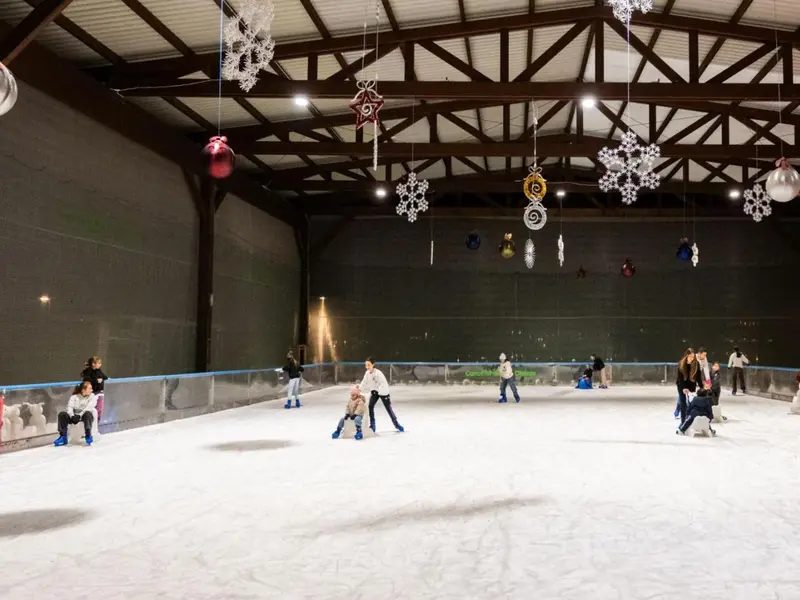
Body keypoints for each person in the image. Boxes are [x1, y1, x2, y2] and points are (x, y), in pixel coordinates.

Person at [359, 358, 404, 433]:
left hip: (383, 392)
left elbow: (383, 384)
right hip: (374, 392)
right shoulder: (367, 373)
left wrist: (379, 391)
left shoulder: (378, 373)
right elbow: (364, 382)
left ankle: (396, 424)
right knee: (370, 406)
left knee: (388, 408)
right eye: (366, 365)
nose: (367, 367)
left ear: (373, 365)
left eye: (369, 365)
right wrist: (359, 388)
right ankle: (373, 425)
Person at [54, 381, 97, 446]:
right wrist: (72, 416)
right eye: (90, 388)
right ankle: (63, 436)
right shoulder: (74, 397)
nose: (92, 390)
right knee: (62, 414)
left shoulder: (92, 397)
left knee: (88, 414)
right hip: (74, 416)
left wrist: (79, 416)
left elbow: (88, 408)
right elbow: (70, 407)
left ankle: (88, 435)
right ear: (83, 390)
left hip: (84, 416)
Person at [676, 348, 704, 425]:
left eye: (693, 356)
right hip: (681, 386)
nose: (692, 358)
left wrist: (702, 387)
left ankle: (689, 421)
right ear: (686, 356)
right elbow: (680, 378)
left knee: (691, 404)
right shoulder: (681, 364)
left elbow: (698, 377)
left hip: (691, 386)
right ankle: (683, 422)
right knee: (683, 404)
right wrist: (683, 388)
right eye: (690, 356)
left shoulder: (696, 364)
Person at [81, 356, 108, 424]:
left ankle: (97, 423)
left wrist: (103, 379)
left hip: (100, 392)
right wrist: (96, 380)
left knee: (100, 409)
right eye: (98, 363)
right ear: (93, 364)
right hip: (93, 393)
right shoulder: (88, 371)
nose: (100, 365)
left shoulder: (99, 370)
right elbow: (86, 380)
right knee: (92, 409)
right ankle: (91, 424)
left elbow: (105, 377)